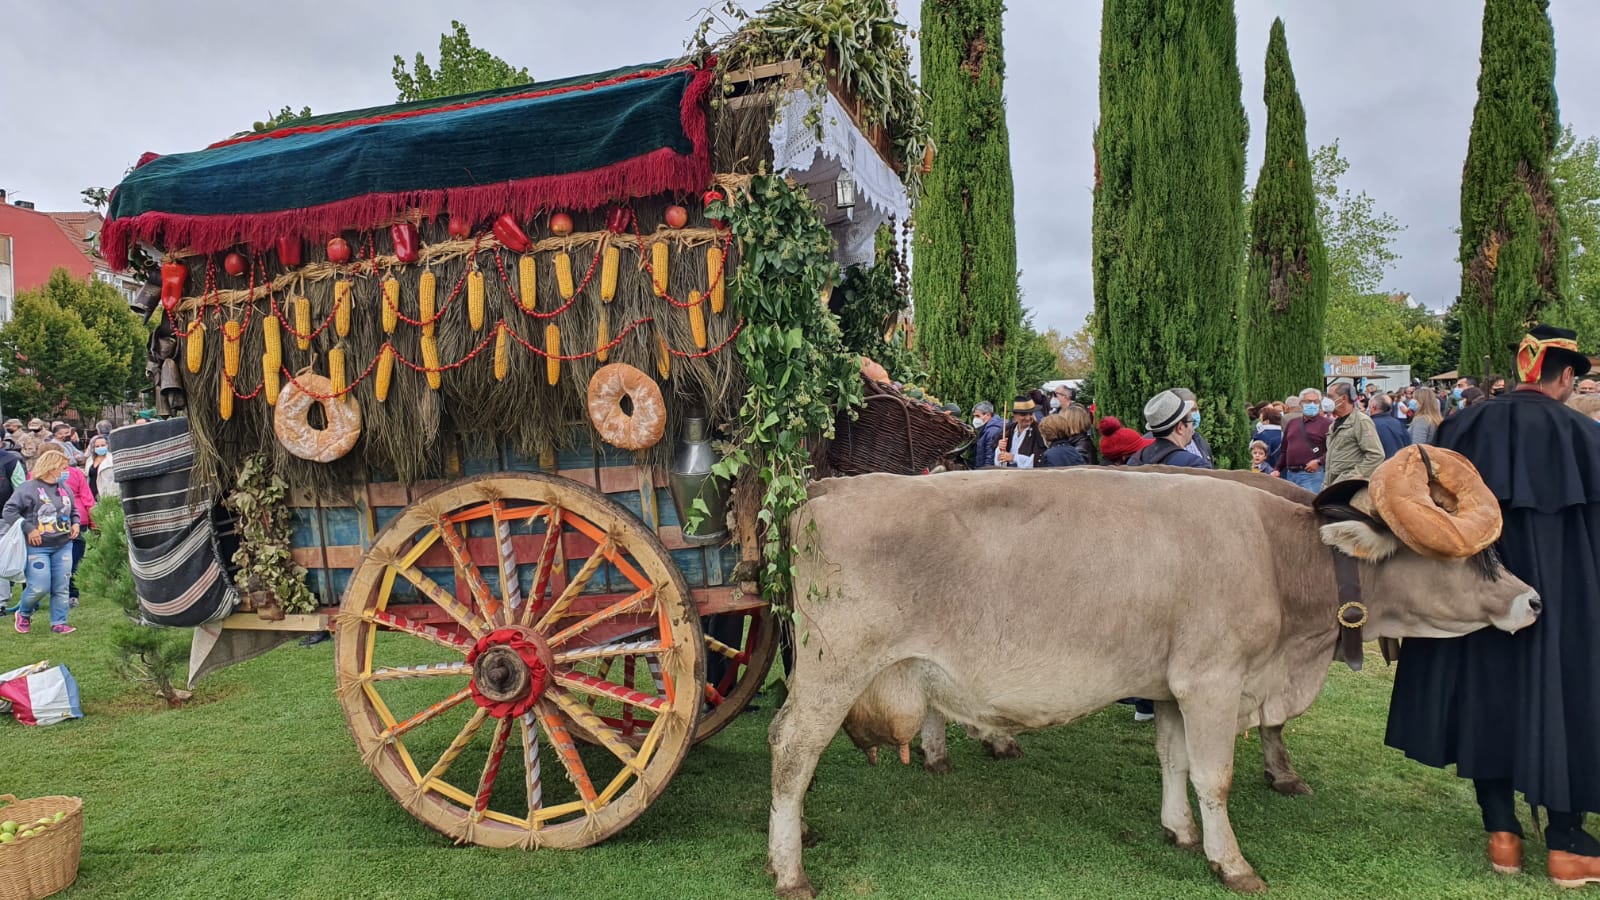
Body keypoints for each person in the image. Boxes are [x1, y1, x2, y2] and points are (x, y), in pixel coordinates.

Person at [1387, 324, 1600, 886]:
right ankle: (1567, 843)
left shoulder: (1461, 424)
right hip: (1567, 601)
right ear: (1568, 378)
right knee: (1560, 698)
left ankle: (1501, 834)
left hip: (1472, 593)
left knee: (1482, 692)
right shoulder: (1586, 437)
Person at [2, 450, 81, 634]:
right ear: (51, 467)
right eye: (62, 467)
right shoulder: (27, 488)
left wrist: (76, 523)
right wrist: (29, 528)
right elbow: (9, 511)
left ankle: (59, 622)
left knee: (61, 586)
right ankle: (24, 612)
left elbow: (73, 510)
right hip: (38, 547)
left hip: (63, 544)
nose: (65, 470)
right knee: (39, 586)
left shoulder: (64, 488)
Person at [1128, 390, 1211, 469]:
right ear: (1180, 428)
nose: (1192, 427)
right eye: (1191, 422)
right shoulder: (1195, 465)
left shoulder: (1135, 460)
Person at [1323, 382, 1386, 486]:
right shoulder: (1335, 423)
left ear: (1343, 398)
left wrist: (1352, 477)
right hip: (1332, 485)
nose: (1326, 401)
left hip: (1349, 488)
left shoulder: (1361, 421)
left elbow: (1376, 455)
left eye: (1330, 396)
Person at [1279, 388, 1332, 492]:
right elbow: (1284, 450)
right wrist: (1277, 469)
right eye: (1308, 401)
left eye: (1316, 401)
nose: (1312, 404)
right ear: (1300, 403)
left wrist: (1319, 461)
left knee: (1310, 505)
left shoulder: (1327, 424)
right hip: (1290, 475)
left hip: (1313, 475)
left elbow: (1334, 449)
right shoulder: (1292, 423)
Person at [996, 398, 1045, 468]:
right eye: (1023, 414)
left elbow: (1038, 460)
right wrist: (1000, 449)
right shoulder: (1008, 431)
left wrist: (1014, 458)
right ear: (1014, 415)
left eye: (1031, 414)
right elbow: (999, 461)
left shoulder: (1039, 432)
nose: (1028, 418)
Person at [1368, 394, 1412, 459]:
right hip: (1400, 463)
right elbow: (1408, 444)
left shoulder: (1369, 425)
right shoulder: (1398, 423)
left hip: (1381, 466)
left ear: (1373, 407)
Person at [971, 402, 1004, 470]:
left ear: (988, 415)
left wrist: (986, 473)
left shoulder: (992, 431)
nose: (975, 419)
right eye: (974, 416)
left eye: (977, 416)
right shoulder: (986, 429)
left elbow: (990, 456)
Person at [84, 435, 117, 500]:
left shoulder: (113, 459)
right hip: (92, 493)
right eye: (97, 446)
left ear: (107, 445)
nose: (100, 447)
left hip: (107, 494)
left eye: (103, 445)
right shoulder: (90, 460)